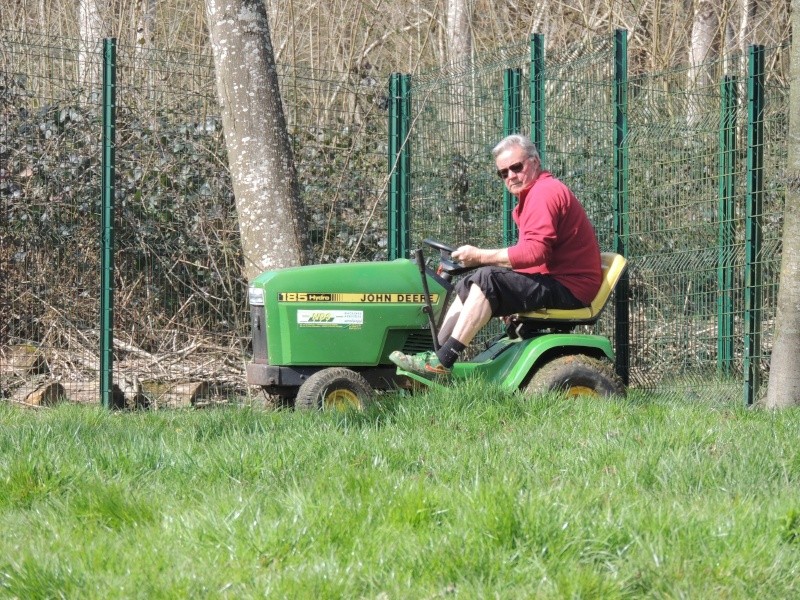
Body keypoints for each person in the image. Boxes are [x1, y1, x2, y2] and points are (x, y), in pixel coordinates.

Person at [390, 134, 602, 378]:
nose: (510, 176)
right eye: (503, 173)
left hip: (571, 287)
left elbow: (536, 252)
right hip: (558, 280)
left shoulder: (544, 193)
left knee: (487, 278)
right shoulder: (534, 196)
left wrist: (480, 256)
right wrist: (511, 293)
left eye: (516, 167)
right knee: (469, 284)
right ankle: (432, 353)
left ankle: (443, 361)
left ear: (534, 162)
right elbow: (540, 258)